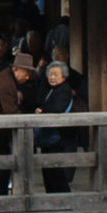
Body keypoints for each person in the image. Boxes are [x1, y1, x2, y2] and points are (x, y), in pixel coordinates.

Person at [0, 52, 37, 195]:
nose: (28, 76)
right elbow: (11, 113)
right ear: (16, 69)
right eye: (27, 72)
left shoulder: (8, 78)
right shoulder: (6, 83)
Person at [34, 60, 86, 193]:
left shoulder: (64, 89)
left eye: (56, 74)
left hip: (59, 136)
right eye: (50, 74)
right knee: (50, 171)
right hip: (51, 135)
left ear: (64, 76)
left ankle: (61, 199)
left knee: (56, 172)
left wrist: (42, 112)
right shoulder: (51, 89)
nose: (52, 77)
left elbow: (58, 108)